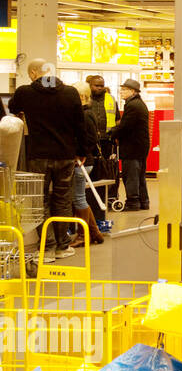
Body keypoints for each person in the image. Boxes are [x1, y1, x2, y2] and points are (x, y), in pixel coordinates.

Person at [9, 59, 90, 259]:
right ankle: (63, 246)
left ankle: (47, 247)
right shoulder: (70, 93)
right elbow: (80, 125)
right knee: (63, 199)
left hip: (37, 156)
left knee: (41, 201)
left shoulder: (25, 92)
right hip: (65, 155)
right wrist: (82, 150)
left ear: (35, 73)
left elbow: (12, 108)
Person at [69, 82, 104, 247]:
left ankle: (84, 235)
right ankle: (94, 232)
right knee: (79, 198)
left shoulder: (85, 114)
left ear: (81, 96)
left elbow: (90, 139)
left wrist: (80, 153)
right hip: (84, 161)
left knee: (79, 198)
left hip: (82, 162)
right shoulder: (86, 113)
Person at [108, 79, 150, 211]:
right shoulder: (139, 104)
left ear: (132, 91)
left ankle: (133, 202)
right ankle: (144, 202)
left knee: (130, 175)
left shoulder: (132, 105)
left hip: (133, 147)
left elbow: (126, 126)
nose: (121, 92)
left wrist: (112, 133)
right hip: (140, 146)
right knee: (139, 175)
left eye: (124, 89)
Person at [86, 75, 118, 206]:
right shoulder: (86, 99)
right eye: (96, 85)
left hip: (106, 141)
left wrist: (115, 136)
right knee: (91, 169)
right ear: (90, 85)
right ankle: (91, 197)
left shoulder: (111, 99)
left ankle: (108, 196)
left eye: (102, 85)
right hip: (90, 141)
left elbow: (117, 119)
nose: (100, 88)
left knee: (106, 169)